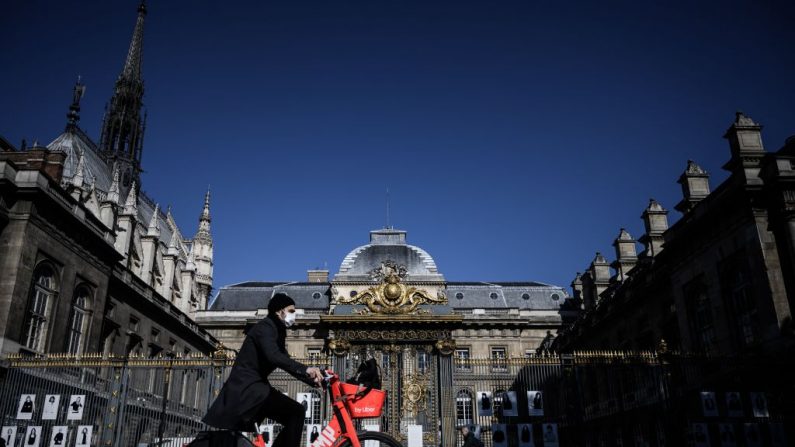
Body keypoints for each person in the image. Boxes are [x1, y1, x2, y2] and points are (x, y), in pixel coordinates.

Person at [203, 293, 324, 445]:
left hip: (256, 387)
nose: (295, 315)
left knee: (294, 413)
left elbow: (285, 361)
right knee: (296, 412)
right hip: (248, 389)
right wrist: (307, 369)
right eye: (291, 311)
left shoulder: (276, 330)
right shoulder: (266, 327)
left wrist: (311, 379)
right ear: (279, 311)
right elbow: (274, 356)